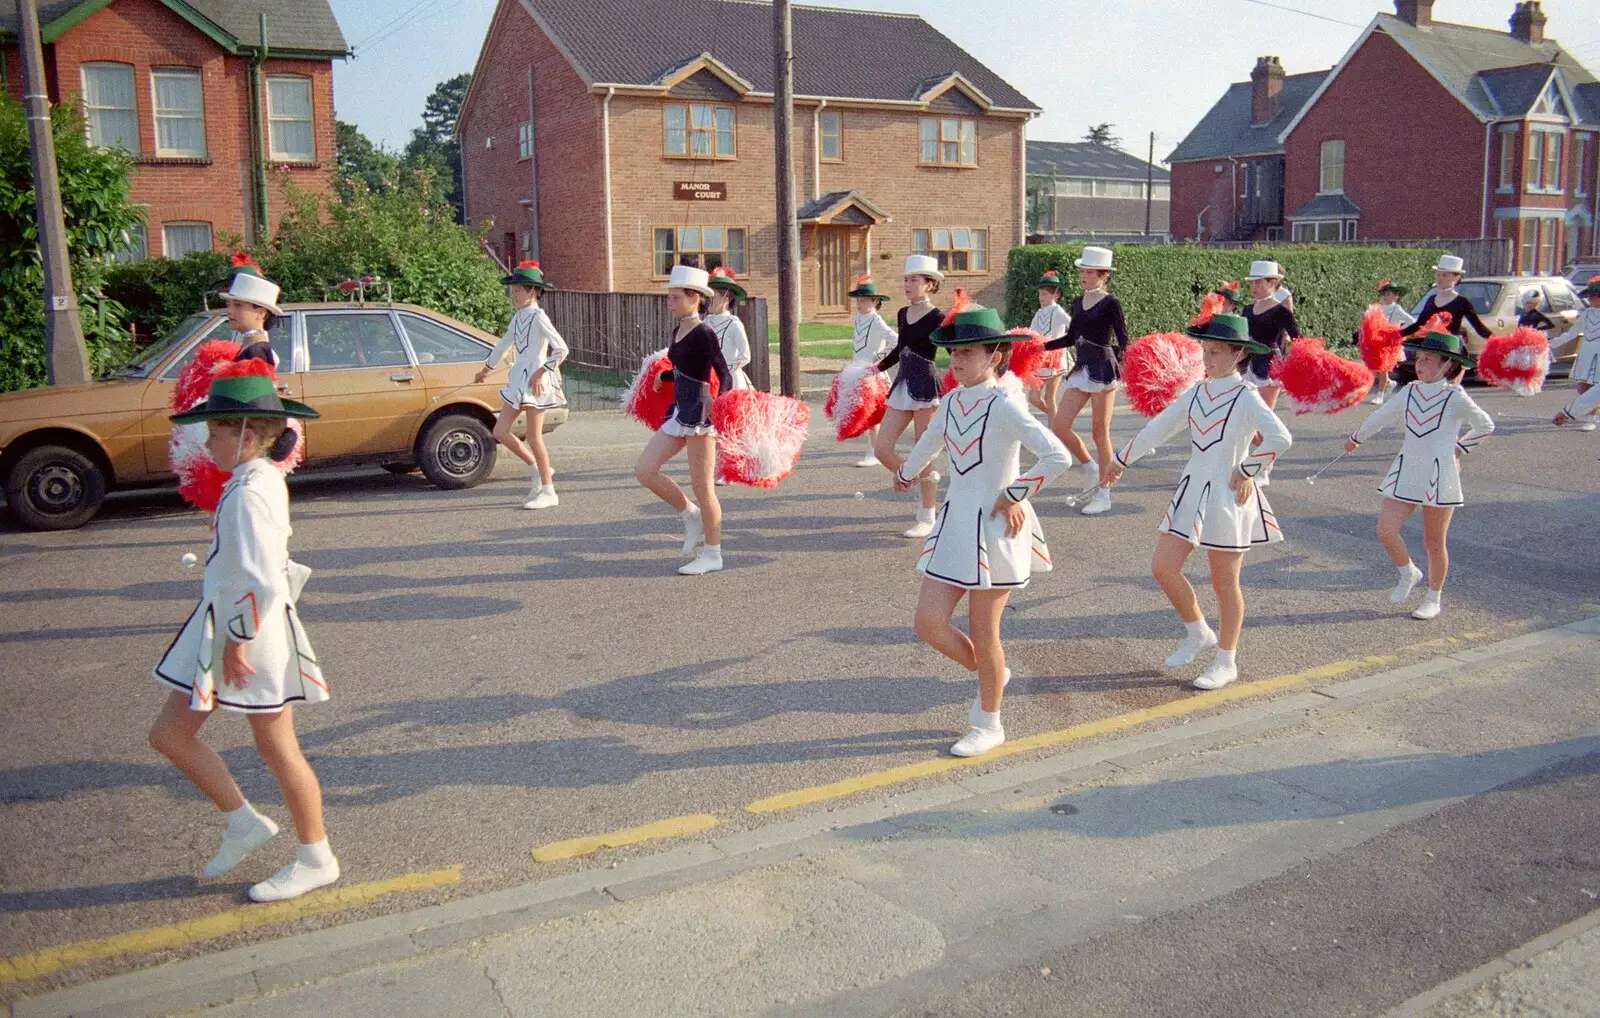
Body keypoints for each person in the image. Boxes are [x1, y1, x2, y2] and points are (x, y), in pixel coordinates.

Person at [148, 368, 339, 902]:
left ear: (247, 436)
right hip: (227, 625)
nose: (207, 441)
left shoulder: (255, 490)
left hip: (246, 634)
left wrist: (236, 641)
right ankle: (242, 822)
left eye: (215, 432)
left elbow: (262, 577)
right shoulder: (252, 482)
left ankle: (316, 857)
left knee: (279, 750)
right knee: (169, 735)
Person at [893, 299, 1071, 757]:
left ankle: (989, 721)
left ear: (995, 355)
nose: (958, 360)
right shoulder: (951, 400)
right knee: (928, 624)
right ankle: (994, 674)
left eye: (969, 352)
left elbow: (1057, 456)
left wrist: (1016, 493)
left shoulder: (1005, 405)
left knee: (986, 631)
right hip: (955, 524)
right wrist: (907, 472)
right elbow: (930, 442)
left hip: (995, 529)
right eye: (954, 353)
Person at [1104, 313, 1292, 692]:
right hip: (1192, 490)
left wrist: (1248, 469)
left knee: (1225, 583)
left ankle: (1226, 660)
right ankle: (1198, 631)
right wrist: (1120, 459)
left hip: (1228, 495)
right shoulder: (1197, 392)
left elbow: (1281, 438)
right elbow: (1159, 427)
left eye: (1217, 353)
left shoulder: (1246, 397)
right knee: (1163, 567)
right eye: (1205, 351)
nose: (1208, 360)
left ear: (1239, 354)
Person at [1344, 320, 1493, 621]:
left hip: (1440, 476)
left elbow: (1486, 425)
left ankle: (1433, 597)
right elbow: (1382, 415)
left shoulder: (1455, 397)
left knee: (1433, 541)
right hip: (1406, 470)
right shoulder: (1409, 392)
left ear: (1446, 364)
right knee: (1386, 530)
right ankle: (1408, 572)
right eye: (1419, 358)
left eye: (1427, 360)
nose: (1419, 363)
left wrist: (1460, 448)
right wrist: (1357, 436)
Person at [633, 265, 732, 575]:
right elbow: (683, 367)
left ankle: (713, 554)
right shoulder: (678, 330)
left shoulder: (705, 332)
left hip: (701, 414)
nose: (669, 302)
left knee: (704, 488)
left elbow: (723, 373)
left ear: (695, 298)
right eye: (669, 297)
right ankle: (689, 515)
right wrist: (664, 375)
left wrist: (721, 405)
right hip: (680, 411)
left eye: (675, 297)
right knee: (645, 469)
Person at [475, 261, 568, 510]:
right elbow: (504, 344)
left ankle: (549, 491)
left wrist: (541, 372)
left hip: (536, 384)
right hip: (518, 381)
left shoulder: (539, 317)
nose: (513, 295)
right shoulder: (518, 317)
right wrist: (486, 369)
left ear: (532, 291)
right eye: (512, 290)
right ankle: (539, 469)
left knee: (535, 437)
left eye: (517, 291)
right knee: (500, 432)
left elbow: (561, 349)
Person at [1044, 246, 1128, 516]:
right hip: (1081, 369)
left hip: (1102, 370)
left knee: (1099, 433)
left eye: (1089, 272)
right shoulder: (1078, 302)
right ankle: (1089, 467)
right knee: (1059, 424)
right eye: (1082, 271)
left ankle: (1104, 493)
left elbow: (1123, 338)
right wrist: (1040, 346)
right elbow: (1069, 339)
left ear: (1103, 276)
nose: (1083, 276)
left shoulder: (1111, 303)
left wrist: (1131, 364)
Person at [875, 255, 945, 538]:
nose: (908, 284)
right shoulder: (903, 313)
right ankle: (913, 479)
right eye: (906, 279)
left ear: (930, 284)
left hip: (926, 385)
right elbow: (900, 348)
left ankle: (927, 514)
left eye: (914, 280)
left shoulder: (939, 317)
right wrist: (876, 368)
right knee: (882, 448)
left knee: (923, 449)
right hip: (903, 383)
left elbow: (953, 352)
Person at [1397, 255, 1491, 388]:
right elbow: (1419, 324)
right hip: (1432, 346)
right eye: (1438, 274)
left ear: (1456, 277)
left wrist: (1497, 341)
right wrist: (1396, 335)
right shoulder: (1431, 299)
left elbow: (1478, 327)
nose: (1440, 278)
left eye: (1445, 275)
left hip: (1452, 347)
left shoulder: (1462, 302)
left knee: (1451, 388)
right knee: (1431, 386)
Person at [845, 275, 897, 467]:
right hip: (858, 371)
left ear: (875, 301)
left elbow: (896, 340)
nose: (859, 303)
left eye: (863, 300)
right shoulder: (859, 318)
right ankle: (875, 450)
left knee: (872, 415)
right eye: (857, 300)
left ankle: (874, 453)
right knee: (866, 415)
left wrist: (878, 357)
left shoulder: (876, 321)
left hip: (872, 374)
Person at [1241, 260, 1299, 410]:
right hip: (1247, 367)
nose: (1253, 287)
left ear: (1272, 282)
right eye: (1252, 283)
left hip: (1269, 368)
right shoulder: (1247, 310)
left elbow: (1298, 339)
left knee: (1264, 417)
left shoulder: (1281, 312)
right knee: (1245, 418)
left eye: (1258, 283)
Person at [217, 254, 283, 368]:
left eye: (238, 305)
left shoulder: (257, 352)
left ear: (261, 313)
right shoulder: (250, 344)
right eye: (228, 304)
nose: (229, 311)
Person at [1552, 277, 1600, 432]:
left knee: (1595, 387)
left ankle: (1591, 418)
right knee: (1582, 387)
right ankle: (1580, 412)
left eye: (1593, 296)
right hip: (1586, 353)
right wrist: (1549, 345)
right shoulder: (1587, 314)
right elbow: (1571, 334)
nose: (1590, 299)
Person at [1028, 268, 1074, 420]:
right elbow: (1031, 333)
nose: (1040, 297)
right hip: (1040, 358)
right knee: (1033, 398)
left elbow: (1074, 326)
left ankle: (1055, 429)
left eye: (1045, 294)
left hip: (1055, 359)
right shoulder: (1039, 313)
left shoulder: (1058, 311)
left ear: (1056, 295)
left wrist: (1064, 339)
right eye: (1040, 293)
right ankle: (1058, 420)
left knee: (1049, 397)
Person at [1369, 278, 1416, 405]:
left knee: (1382, 367)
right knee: (1375, 368)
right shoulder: (1379, 308)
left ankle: (1380, 395)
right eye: (1385, 293)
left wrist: (1399, 331)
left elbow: (1412, 321)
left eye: (1390, 294)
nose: (1386, 296)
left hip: (1390, 343)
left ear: (1396, 296)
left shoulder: (1397, 309)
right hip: (1378, 341)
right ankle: (1389, 383)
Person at [706, 267, 753, 391]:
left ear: (725, 299)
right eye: (708, 297)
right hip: (708, 380)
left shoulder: (734, 324)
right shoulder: (706, 321)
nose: (708, 301)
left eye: (713, 297)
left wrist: (724, 370)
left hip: (731, 380)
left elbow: (745, 356)